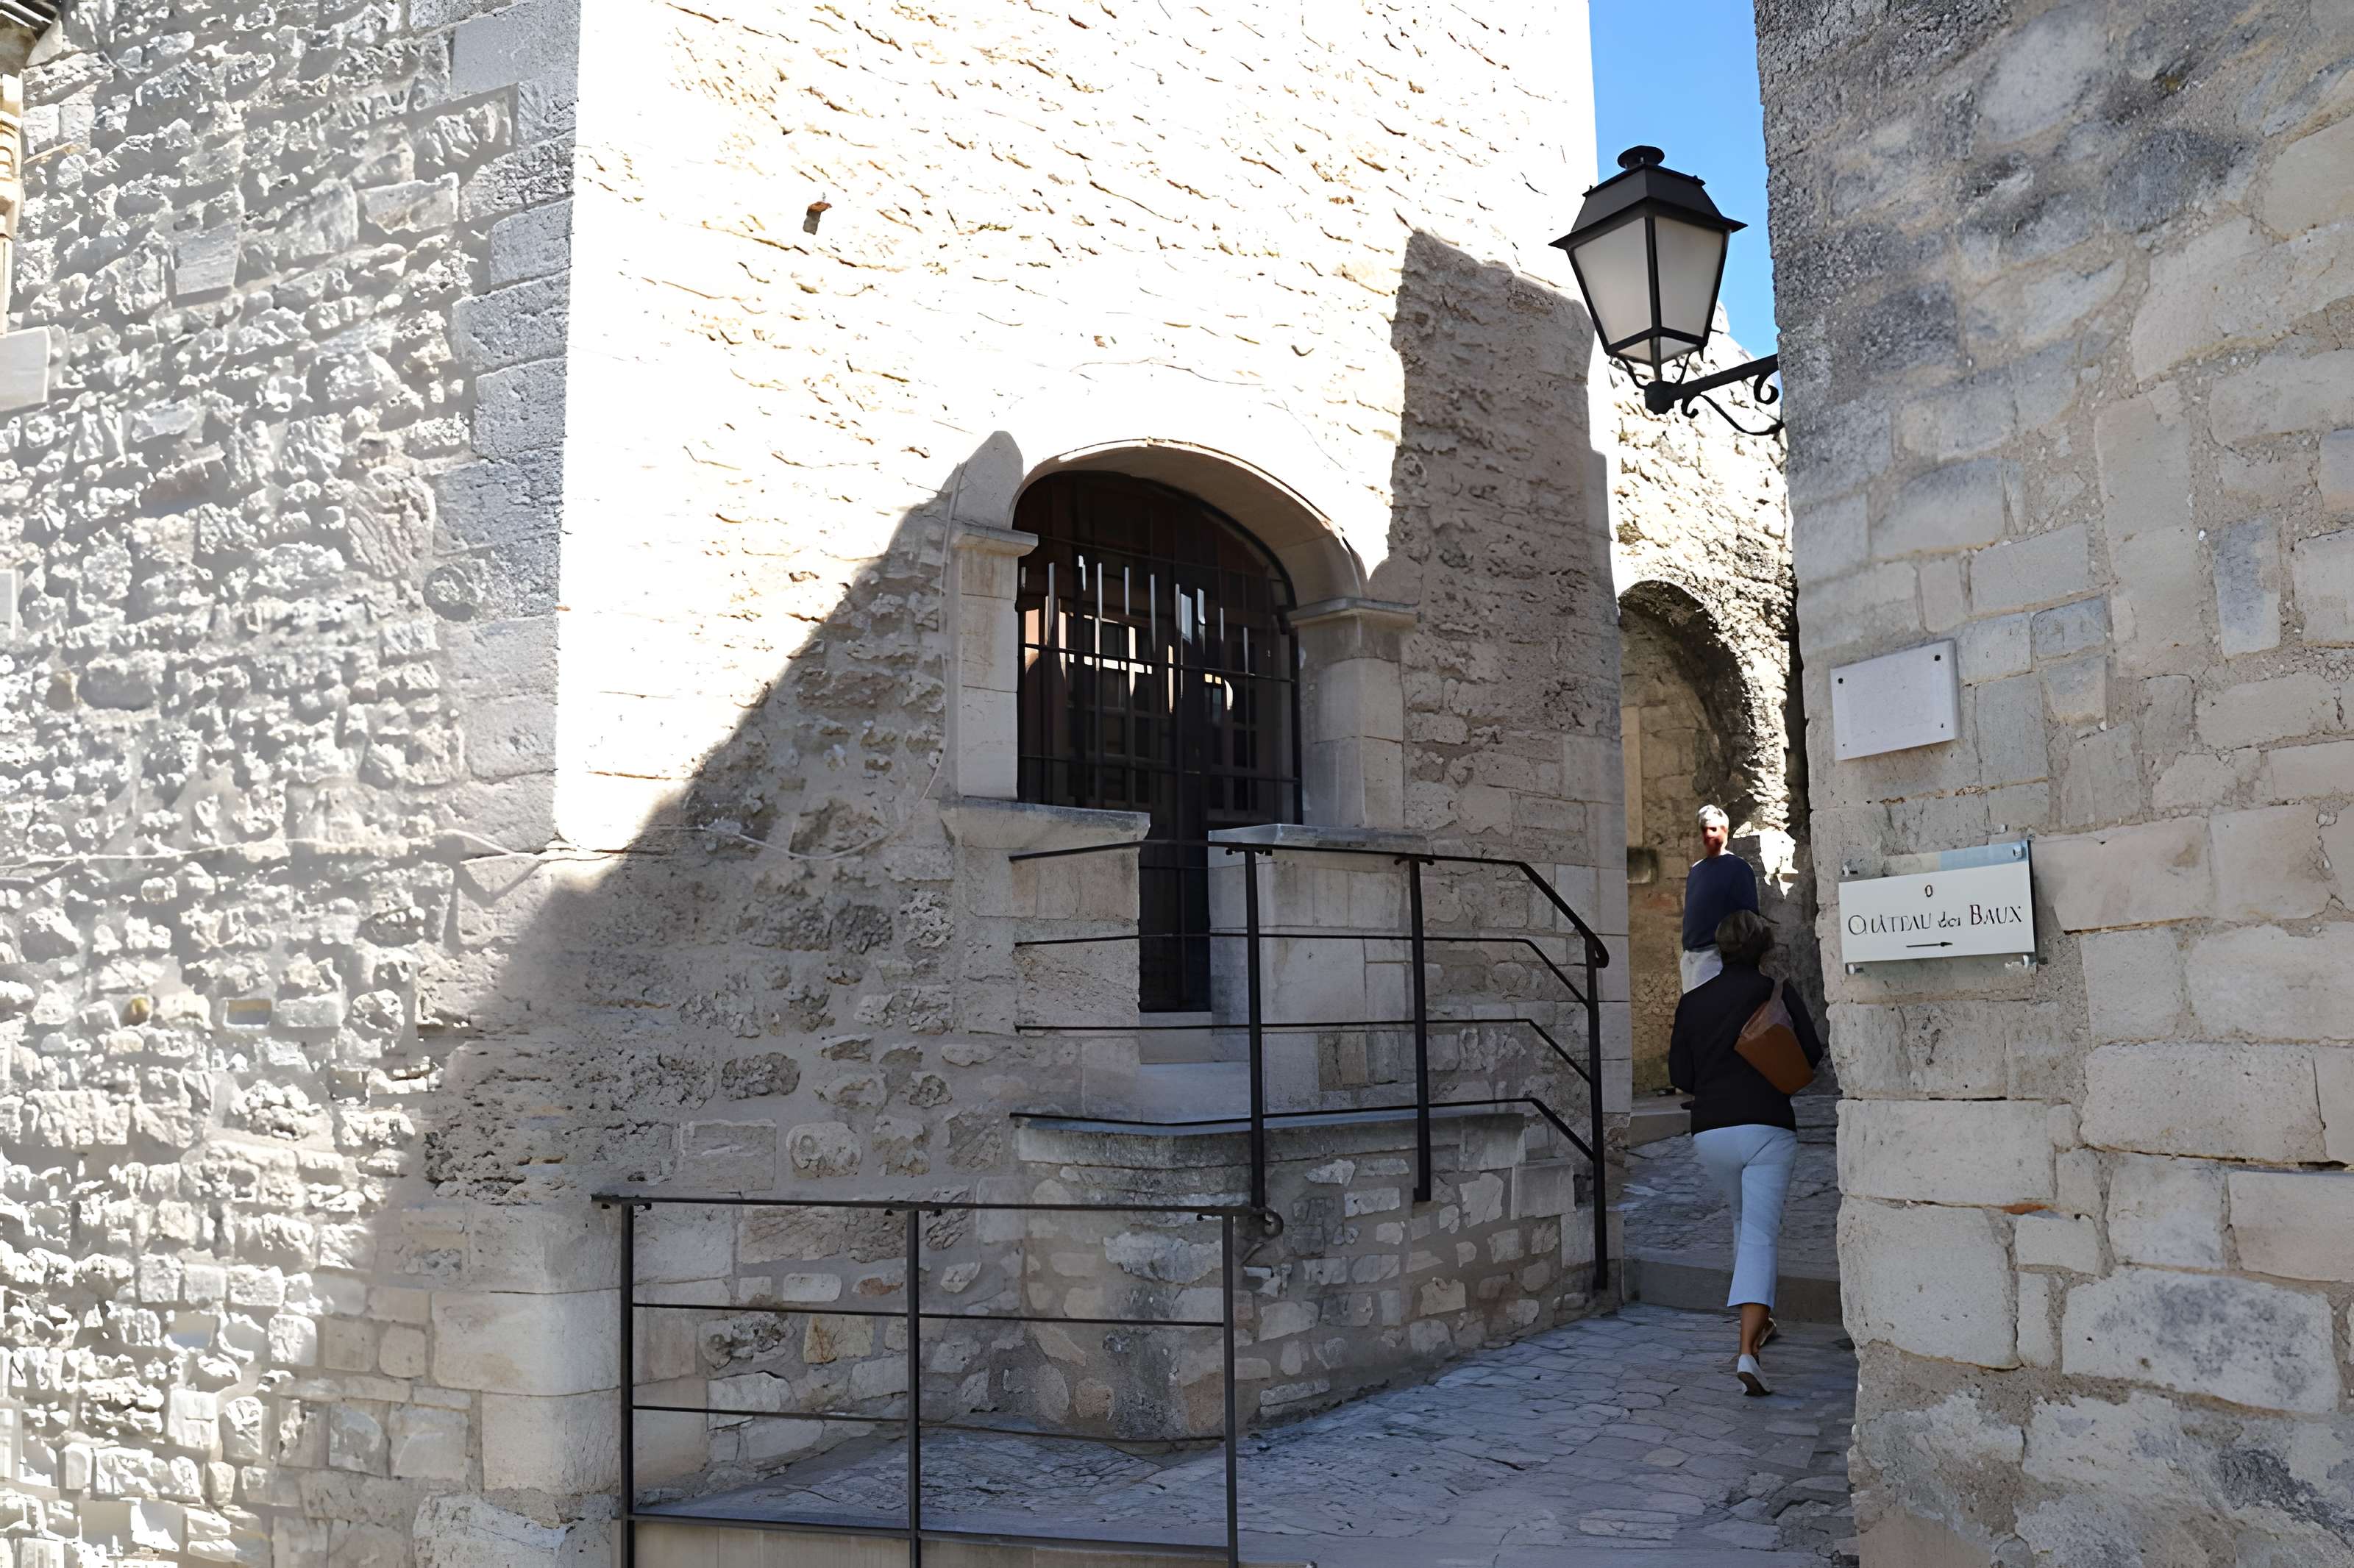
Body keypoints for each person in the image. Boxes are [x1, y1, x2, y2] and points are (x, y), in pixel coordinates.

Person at [1667, 908, 1825, 1397]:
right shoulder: (1777, 994)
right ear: (1763, 950)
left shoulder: (1693, 1003)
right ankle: (1747, 1351)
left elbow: (1681, 1077)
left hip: (1711, 1132)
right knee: (1760, 1232)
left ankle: (1763, 1323)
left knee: (1742, 1221)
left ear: (1720, 949)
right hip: (1766, 1127)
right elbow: (1812, 1055)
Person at [1679, 805, 1757, 993]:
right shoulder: (1696, 870)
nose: (1708, 835)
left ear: (1725, 831)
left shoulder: (1739, 868)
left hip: (1717, 956)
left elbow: (1749, 918)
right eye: (1704, 830)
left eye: (1713, 829)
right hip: (1691, 956)